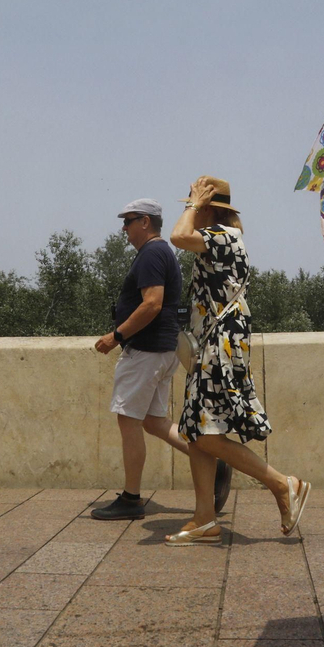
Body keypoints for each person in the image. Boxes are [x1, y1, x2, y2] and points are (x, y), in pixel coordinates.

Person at [165, 176, 310, 546]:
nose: (192, 211)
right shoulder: (221, 239)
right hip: (216, 340)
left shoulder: (223, 237)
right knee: (198, 430)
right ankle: (204, 518)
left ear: (210, 208)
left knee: (207, 432)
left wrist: (192, 204)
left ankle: (283, 484)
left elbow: (178, 237)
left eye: (198, 205)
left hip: (220, 343)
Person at [90, 199, 230, 520]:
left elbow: (152, 303)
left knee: (128, 420)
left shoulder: (152, 253)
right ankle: (216, 462)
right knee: (154, 422)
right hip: (163, 349)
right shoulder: (161, 253)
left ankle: (131, 498)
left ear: (145, 222)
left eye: (128, 221)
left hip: (146, 351)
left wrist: (117, 336)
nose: (123, 228)